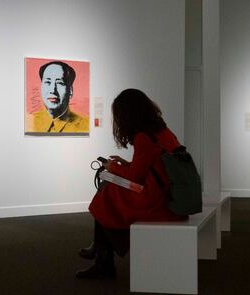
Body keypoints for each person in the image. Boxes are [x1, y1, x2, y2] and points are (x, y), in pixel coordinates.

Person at [76, 88, 186, 279]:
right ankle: (101, 253)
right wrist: (125, 164)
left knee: (106, 194)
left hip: (157, 201)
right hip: (168, 194)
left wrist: (113, 167)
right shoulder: (161, 131)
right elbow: (151, 166)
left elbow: (136, 177)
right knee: (107, 191)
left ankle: (102, 256)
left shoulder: (143, 137)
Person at [31, 61, 89, 133]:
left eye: (60, 83)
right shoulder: (30, 122)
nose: (52, 90)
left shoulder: (86, 125)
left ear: (70, 91)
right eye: (48, 82)